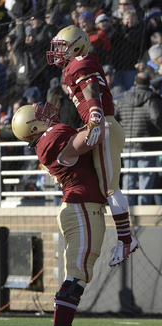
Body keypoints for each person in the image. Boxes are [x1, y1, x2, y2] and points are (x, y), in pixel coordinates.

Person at [11, 101, 107, 326]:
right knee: (77, 274)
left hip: (81, 207)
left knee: (79, 273)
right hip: (81, 207)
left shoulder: (50, 137)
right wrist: (96, 110)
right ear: (33, 126)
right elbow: (92, 137)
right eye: (38, 115)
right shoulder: (51, 137)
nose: (46, 113)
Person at [47, 25, 138, 267]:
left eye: (62, 47)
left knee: (110, 188)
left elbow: (91, 89)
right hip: (102, 124)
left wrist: (95, 118)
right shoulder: (81, 62)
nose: (58, 52)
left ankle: (126, 240)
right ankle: (123, 237)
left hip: (103, 124)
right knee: (105, 186)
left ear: (76, 45)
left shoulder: (79, 63)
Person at [114, 72, 162, 205]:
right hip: (147, 145)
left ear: (134, 83)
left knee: (128, 181)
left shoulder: (123, 98)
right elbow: (156, 118)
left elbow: (114, 117)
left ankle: (127, 212)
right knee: (145, 182)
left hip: (128, 145)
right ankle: (143, 210)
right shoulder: (153, 98)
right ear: (149, 84)